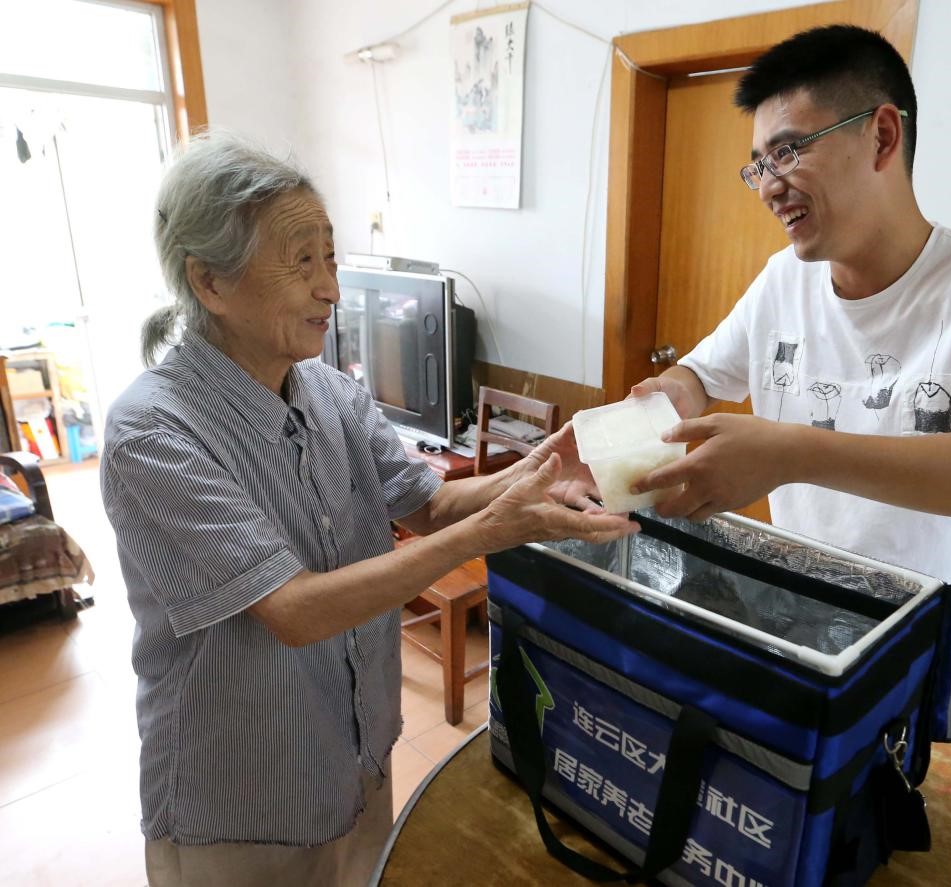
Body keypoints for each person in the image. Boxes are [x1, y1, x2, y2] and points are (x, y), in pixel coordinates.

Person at [101, 132, 637, 887]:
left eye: (331, 256)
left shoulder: (331, 392)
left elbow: (431, 504)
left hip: (354, 761)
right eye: (302, 260)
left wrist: (541, 472)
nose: (332, 288)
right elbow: (295, 610)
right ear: (209, 281)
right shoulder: (153, 433)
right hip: (240, 799)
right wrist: (493, 529)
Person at [629, 25, 951, 745]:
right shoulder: (785, 279)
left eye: (789, 150)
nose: (770, 184)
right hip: (809, 646)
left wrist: (791, 452)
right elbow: (700, 376)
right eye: (758, 163)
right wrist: (647, 410)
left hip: (935, 672)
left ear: (883, 136)